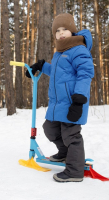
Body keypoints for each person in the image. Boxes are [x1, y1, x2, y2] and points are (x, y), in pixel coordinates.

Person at [26, 13, 94, 182]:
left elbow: (85, 74)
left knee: (71, 135)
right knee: (50, 129)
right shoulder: (60, 52)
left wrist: (79, 99)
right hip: (57, 104)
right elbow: (58, 73)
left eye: (65, 29)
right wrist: (42, 66)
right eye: (57, 30)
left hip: (73, 102)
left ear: (72, 31)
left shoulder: (79, 49)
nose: (61, 33)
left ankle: (74, 171)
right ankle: (64, 153)